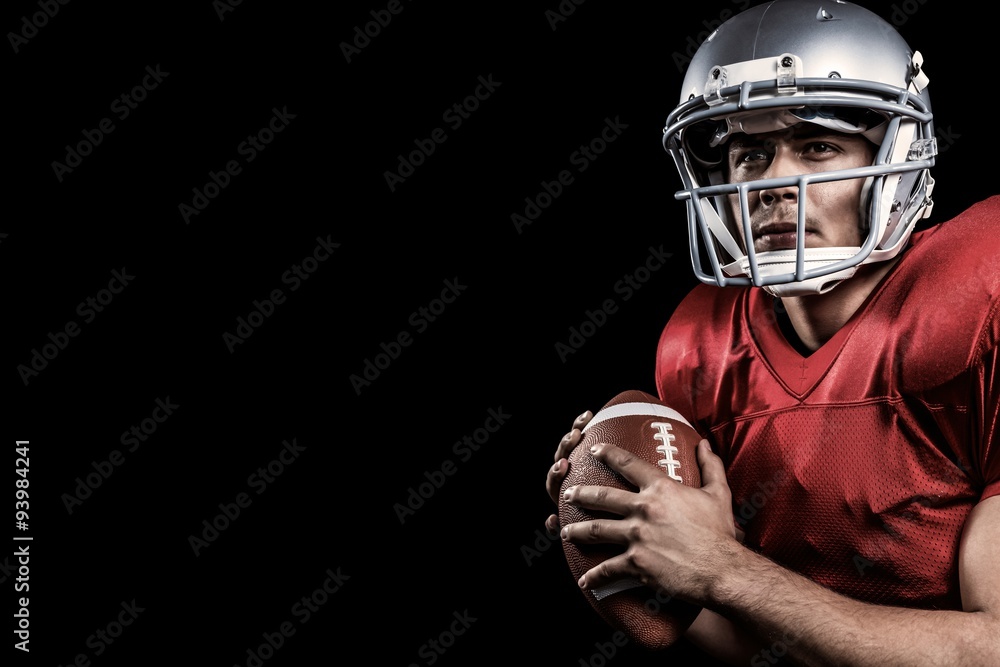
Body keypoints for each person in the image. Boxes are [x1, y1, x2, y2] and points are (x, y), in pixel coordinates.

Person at [543, 1, 1000, 664]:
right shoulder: (698, 349)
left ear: (898, 161)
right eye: (749, 153)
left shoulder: (983, 295)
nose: (774, 183)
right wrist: (642, 555)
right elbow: (768, 635)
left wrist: (723, 568)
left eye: (816, 145)